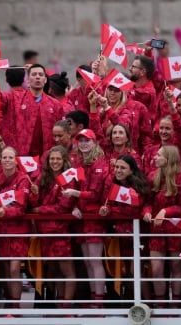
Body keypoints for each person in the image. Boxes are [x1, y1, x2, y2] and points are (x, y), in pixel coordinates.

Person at [142, 145, 181, 308]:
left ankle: (176, 305)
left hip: (175, 229)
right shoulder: (152, 176)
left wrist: (166, 210)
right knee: (156, 269)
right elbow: (147, 201)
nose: (155, 157)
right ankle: (161, 304)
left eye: (158, 155)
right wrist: (147, 211)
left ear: (169, 158)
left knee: (175, 267)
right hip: (157, 229)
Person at [64, 129, 108, 307]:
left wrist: (75, 194)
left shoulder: (99, 164)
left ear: (94, 142)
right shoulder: (80, 165)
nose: (83, 143)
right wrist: (74, 205)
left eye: (87, 140)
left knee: (95, 260)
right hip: (82, 218)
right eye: (80, 140)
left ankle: (99, 299)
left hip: (94, 218)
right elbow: (77, 190)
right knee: (88, 260)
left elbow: (96, 194)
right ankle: (93, 298)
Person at [30, 145, 77, 308]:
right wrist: (34, 193)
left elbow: (64, 206)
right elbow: (33, 203)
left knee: (67, 269)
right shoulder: (43, 177)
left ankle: (67, 305)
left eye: (58, 159)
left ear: (64, 160)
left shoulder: (69, 178)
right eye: (52, 158)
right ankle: (59, 303)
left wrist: (40, 209)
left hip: (60, 230)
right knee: (54, 269)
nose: (55, 162)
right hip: (44, 231)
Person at [100, 155, 150, 299]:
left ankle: (146, 303)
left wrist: (112, 211)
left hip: (136, 236)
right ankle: (127, 303)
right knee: (122, 271)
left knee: (137, 272)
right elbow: (108, 203)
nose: (118, 170)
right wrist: (106, 210)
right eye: (116, 167)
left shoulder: (138, 185)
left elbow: (134, 209)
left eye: (122, 168)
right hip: (119, 236)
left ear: (131, 170)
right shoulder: (113, 184)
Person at [0, 146, 31, 308]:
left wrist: (5, 211)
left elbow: (21, 207)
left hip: (18, 230)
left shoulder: (23, 179)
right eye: (4, 157)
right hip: (1, 230)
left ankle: (16, 304)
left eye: (10, 157)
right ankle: (9, 301)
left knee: (15, 268)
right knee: (5, 268)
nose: (7, 160)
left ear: (16, 160)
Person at [0, 64, 65, 156]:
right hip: (20, 156)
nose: (37, 77)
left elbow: (63, 131)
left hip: (46, 157)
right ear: (28, 80)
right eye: (34, 74)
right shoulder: (15, 98)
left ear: (45, 80)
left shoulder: (55, 105)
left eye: (40, 75)